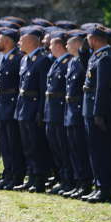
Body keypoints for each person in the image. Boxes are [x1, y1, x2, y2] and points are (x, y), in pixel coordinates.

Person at [82, 25, 111, 203]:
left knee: (102, 151)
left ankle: (105, 188)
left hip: (100, 111)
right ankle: (99, 185)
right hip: (91, 108)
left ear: (94, 39)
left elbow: (102, 89)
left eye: (89, 38)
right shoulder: (96, 56)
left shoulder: (106, 58)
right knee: (95, 150)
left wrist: (98, 113)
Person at [14, 26, 51, 193]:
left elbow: (44, 90)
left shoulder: (42, 60)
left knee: (37, 145)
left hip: (34, 106)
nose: (19, 42)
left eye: (22, 40)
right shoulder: (24, 59)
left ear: (31, 41)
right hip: (23, 106)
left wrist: (41, 111)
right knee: (27, 145)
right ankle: (31, 176)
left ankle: (39, 178)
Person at [0, 27, 25, 191]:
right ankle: (8, 174)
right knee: (5, 142)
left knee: (13, 142)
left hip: (11, 104)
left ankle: (16, 176)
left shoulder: (17, 58)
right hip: (1, 103)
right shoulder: (3, 58)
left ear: (6, 41)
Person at [63, 30, 93, 199]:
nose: (66, 46)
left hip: (78, 107)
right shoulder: (72, 61)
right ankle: (78, 182)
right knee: (73, 148)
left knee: (80, 148)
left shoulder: (83, 61)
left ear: (77, 45)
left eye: (69, 43)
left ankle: (85, 183)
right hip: (70, 108)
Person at [44, 31, 74, 195]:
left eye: (51, 44)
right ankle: (61, 178)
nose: (49, 47)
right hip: (52, 110)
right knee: (55, 147)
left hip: (61, 109)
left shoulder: (67, 63)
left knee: (63, 147)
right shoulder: (57, 63)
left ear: (58, 46)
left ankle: (68, 180)